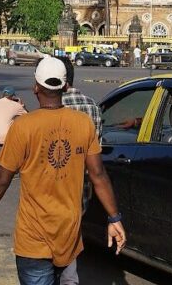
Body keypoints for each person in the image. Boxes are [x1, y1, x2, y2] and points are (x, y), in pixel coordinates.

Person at [0, 57, 126, 285]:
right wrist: (114, 218)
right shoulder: (83, 123)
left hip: (33, 239)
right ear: (64, 86)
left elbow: (2, 178)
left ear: (36, 87)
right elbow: (98, 175)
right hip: (68, 235)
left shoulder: (23, 126)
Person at [58, 57, 103, 285]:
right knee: (70, 243)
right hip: (81, 192)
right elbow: (97, 160)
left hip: (54, 193)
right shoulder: (92, 106)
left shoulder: (52, 106)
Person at [0, 86, 27, 179]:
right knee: (15, 149)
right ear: (13, 96)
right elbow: (27, 116)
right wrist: (21, 105)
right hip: (5, 135)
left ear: (2, 95)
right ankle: (13, 171)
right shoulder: (16, 105)